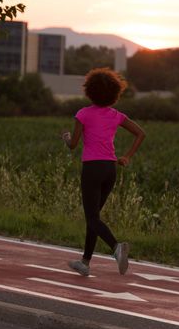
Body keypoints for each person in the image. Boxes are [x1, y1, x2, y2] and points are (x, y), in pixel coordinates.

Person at [61, 67, 145, 276]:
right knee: (94, 217)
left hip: (92, 168)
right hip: (110, 169)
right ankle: (85, 262)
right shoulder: (116, 115)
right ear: (114, 93)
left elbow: (73, 145)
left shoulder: (83, 114)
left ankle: (116, 247)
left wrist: (66, 138)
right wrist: (127, 156)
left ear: (89, 91)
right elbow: (140, 134)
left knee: (92, 218)